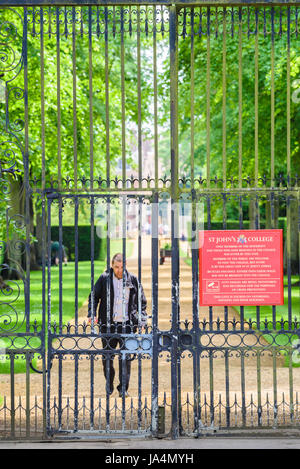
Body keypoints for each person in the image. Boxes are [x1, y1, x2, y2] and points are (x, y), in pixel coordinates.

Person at [87, 253, 147, 398]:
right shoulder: (104, 279)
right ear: (112, 266)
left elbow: (142, 302)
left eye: (121, 267)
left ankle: (123, 388)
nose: (119, 270)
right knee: (108, 356)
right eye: (116, 267)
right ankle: (109, 382)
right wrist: (91, 313)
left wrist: (141, 321)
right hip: (108, 324)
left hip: (128, 325)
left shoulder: (133, 279)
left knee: (125, 358)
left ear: (125, 265)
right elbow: (94, 296)